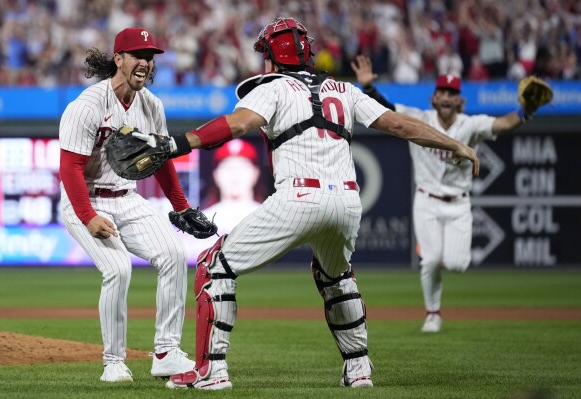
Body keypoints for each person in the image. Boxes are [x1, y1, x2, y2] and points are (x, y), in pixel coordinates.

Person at [134, 17, 479, 389]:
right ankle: (359, 368)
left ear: (271, 56)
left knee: (214, 266)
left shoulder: (273, 86)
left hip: (299, 196)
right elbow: (398, 124)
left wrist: (177, 144)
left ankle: (211, 371)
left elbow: (237, 124)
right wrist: (456, 144)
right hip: (348, 201)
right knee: (337, 277)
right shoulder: (343, 89)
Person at [351, 54, 541, 333]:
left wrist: (524, 112)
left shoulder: (470, 125)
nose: (446, 97)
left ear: (459, 100)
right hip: (426, 200)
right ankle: (432, 313)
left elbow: (502, 124)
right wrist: (368, 88)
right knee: (429, 260)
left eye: (452, 93)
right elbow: (387, 109)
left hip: (458, 204)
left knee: (457, 264)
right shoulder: (419, 118)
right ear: (434, 97)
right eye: (442, 92)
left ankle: (437, 266)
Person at [58, 27, 195, 382]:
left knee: (174, 256)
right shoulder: (88, 105)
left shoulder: (152, 105)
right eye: (138, 55)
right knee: (118, 269)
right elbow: (70, 168)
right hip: (85, 199)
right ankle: (114, 362)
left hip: (127, 198)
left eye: (150, 57)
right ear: (118, 59)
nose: (145, 63)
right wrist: (88, 217)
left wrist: (180, 206)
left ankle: (166, 352)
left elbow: (161, 160)